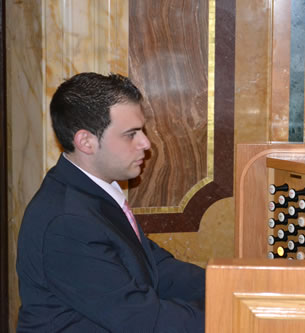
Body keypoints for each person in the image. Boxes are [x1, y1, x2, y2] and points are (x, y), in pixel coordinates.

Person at [16, 72, 205, 332]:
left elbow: (156, 268)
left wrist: (235, 289)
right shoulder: (67, 221)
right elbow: (142, 320)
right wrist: (234, 317)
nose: (146, 143)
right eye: (131, 134)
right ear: (86, 141)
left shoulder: (92, 192)